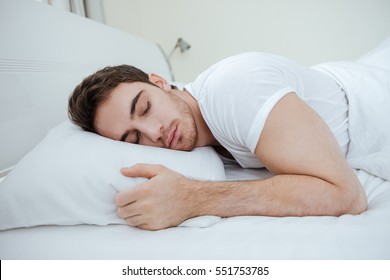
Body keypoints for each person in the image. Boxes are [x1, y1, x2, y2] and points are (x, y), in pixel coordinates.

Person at [68, 52, 370, 230]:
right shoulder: (200, 135)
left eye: (145, 107)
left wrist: (192, 198)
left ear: (160, 82)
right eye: (133, 139)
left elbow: (346, 194)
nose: (153, 133)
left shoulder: (235, 90)